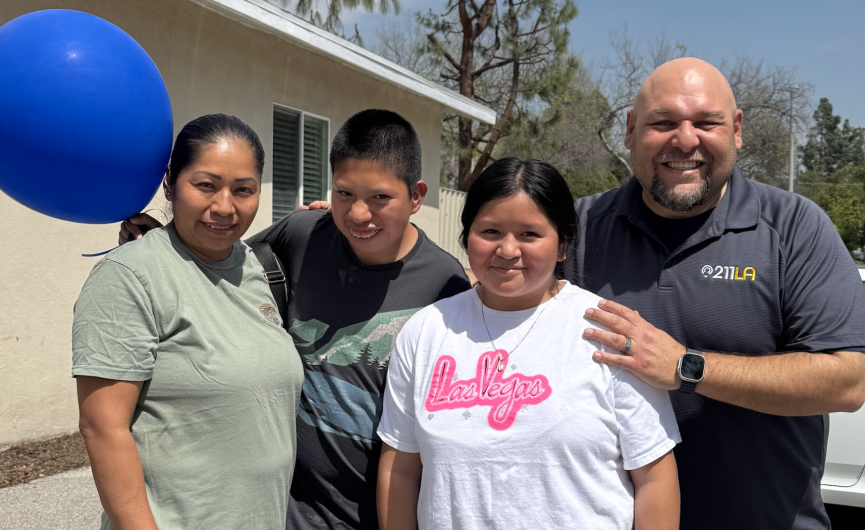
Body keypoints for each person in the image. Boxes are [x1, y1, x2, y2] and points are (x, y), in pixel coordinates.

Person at [120, 109, 470, 529]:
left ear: (415, 196)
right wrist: (158, 239)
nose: (359, 214)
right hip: (283, 509)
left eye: (379, 197)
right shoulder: (304, 232)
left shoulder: (447, 282)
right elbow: (216, 263)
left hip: (378, 511)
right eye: (344, 194)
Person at [567, 58, 865, 530]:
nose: (685, 140)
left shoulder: (794, 228)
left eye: (706, 122)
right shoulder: (577, 229)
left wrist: (687, 367)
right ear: (629, 130)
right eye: (663, 122)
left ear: (737, 129)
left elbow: (848, 382)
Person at [376, 157, 681, 530]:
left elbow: (654, 476)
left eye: (529, 235)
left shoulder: (608, 330)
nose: (507, 250)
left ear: (563, 245)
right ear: (466, 236)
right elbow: (401, 469)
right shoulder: (426, 331)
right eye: (489, 232)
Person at [73, 114, 304, 530]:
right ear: (170, 183)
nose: (224, 207)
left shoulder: (255, 267)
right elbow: (102, 428)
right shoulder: (131, 276)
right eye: (205, 185)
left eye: (243, 190)